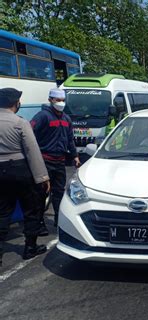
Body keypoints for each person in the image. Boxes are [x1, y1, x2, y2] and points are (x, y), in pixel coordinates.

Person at [0, 88, 50, 264]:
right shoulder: (20, 123)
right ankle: (30, 247)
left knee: (3, 212)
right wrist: (43, 177)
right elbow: (32, 151)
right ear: (15, 103)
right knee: (32, 209)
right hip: (20, 170)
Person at [31, 88, 80, 234]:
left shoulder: (66, 119)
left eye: (63, 100)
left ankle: (60, 221)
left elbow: (70, 139)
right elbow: (29, 133)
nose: (60, 103)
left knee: (59, 193)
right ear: (50, 100)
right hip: (44, 161)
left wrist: (75, 156)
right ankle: (39, 224)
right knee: (41, 194)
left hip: (60, 161)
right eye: (57, 100)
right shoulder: (42, 116)